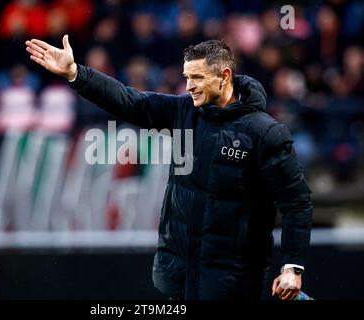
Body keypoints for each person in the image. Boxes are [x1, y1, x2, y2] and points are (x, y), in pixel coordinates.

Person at [25, 35, 313, 301]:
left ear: (225, 76)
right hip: (179, 277)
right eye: (187, 77)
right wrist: (76, 74)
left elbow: (296, 203)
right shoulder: (184, 111)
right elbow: (130, 102)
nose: (189, 86)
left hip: (231, 282)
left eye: (197, 77)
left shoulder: (266, 133)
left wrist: (293, 267)